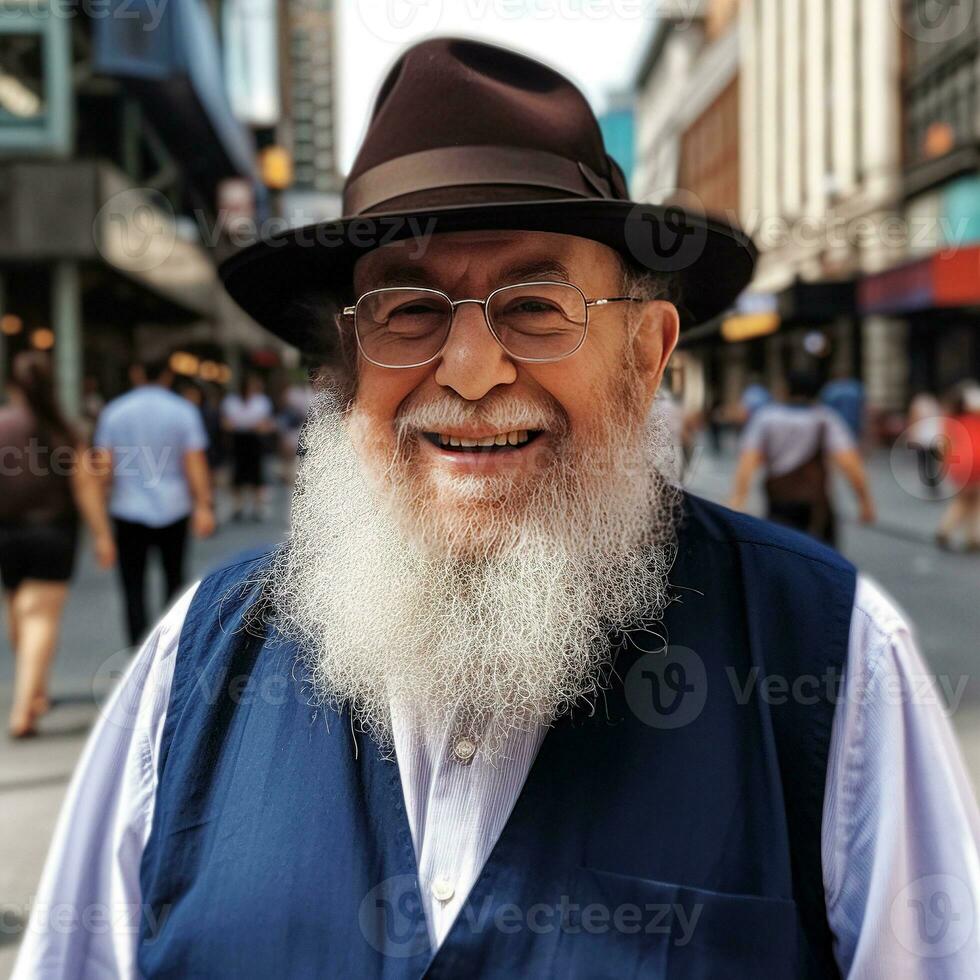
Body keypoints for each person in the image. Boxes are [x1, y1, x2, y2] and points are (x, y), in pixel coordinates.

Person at [16, 39, 980, 978]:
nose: (471, 373)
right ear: (345, 374)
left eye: (534, 307)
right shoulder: (192, 664)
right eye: (407, 312)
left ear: (646, 358)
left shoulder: (834, 659)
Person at [0, 353, 115, 737]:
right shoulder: (65, 432)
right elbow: (86, 490)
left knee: (18, 611)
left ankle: (33, 694)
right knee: (39, 618)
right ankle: (24, 706)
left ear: (13, 385)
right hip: (54, 534)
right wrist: (101, 535)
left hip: (8, 535)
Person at [92, 356, 215, 646]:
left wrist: (99, 519)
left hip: (127, 506)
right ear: (168, 376)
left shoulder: (114, 411)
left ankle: (138, 644)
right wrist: (203, 506)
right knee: (174, 576)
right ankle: (171, 641)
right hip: (174, 505)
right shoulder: (183, 411)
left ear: (137, 373)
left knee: (132, 581)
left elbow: (103, 466)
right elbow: (194, 461)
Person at [729, 370, 876, 546]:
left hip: (779, 501)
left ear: (785, 390)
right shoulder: (826, 418)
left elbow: (748, 461)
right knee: (822, 561)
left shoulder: (766, 418)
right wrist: (864, 501)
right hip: (816, 505)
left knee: (781, 557)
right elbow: (849, 463)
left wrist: (738, 498)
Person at [221, 373, 275, 520]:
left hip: (255, 441)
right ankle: (237, 506)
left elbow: (266, 424)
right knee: (237, 474)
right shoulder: (231, 401)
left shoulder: (262, 401)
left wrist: (250, 425)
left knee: (257, 474)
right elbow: (226, 423)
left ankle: (257, 507)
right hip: (237, 441)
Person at [936, 382, 980, 551]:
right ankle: (971, 536)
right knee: (974, 501)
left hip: (960, 465)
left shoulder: (950, 421)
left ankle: (947, 529)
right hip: (977, 462)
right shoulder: (975, 419)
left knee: (964, 500)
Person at [907, 388, 945, 497]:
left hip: (923, 437)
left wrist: (911, 434)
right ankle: (933, 483)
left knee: (924, 463)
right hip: (933, 437)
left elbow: (913, 419)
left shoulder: (918, 403)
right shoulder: (934, 402)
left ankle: (930, 483)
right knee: (933, 463)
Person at [820, 371, 866, 443]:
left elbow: (824, 410)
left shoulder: (830, 389)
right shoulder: (855, 388)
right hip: (853, 424)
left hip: (836, 424)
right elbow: (863, 407)